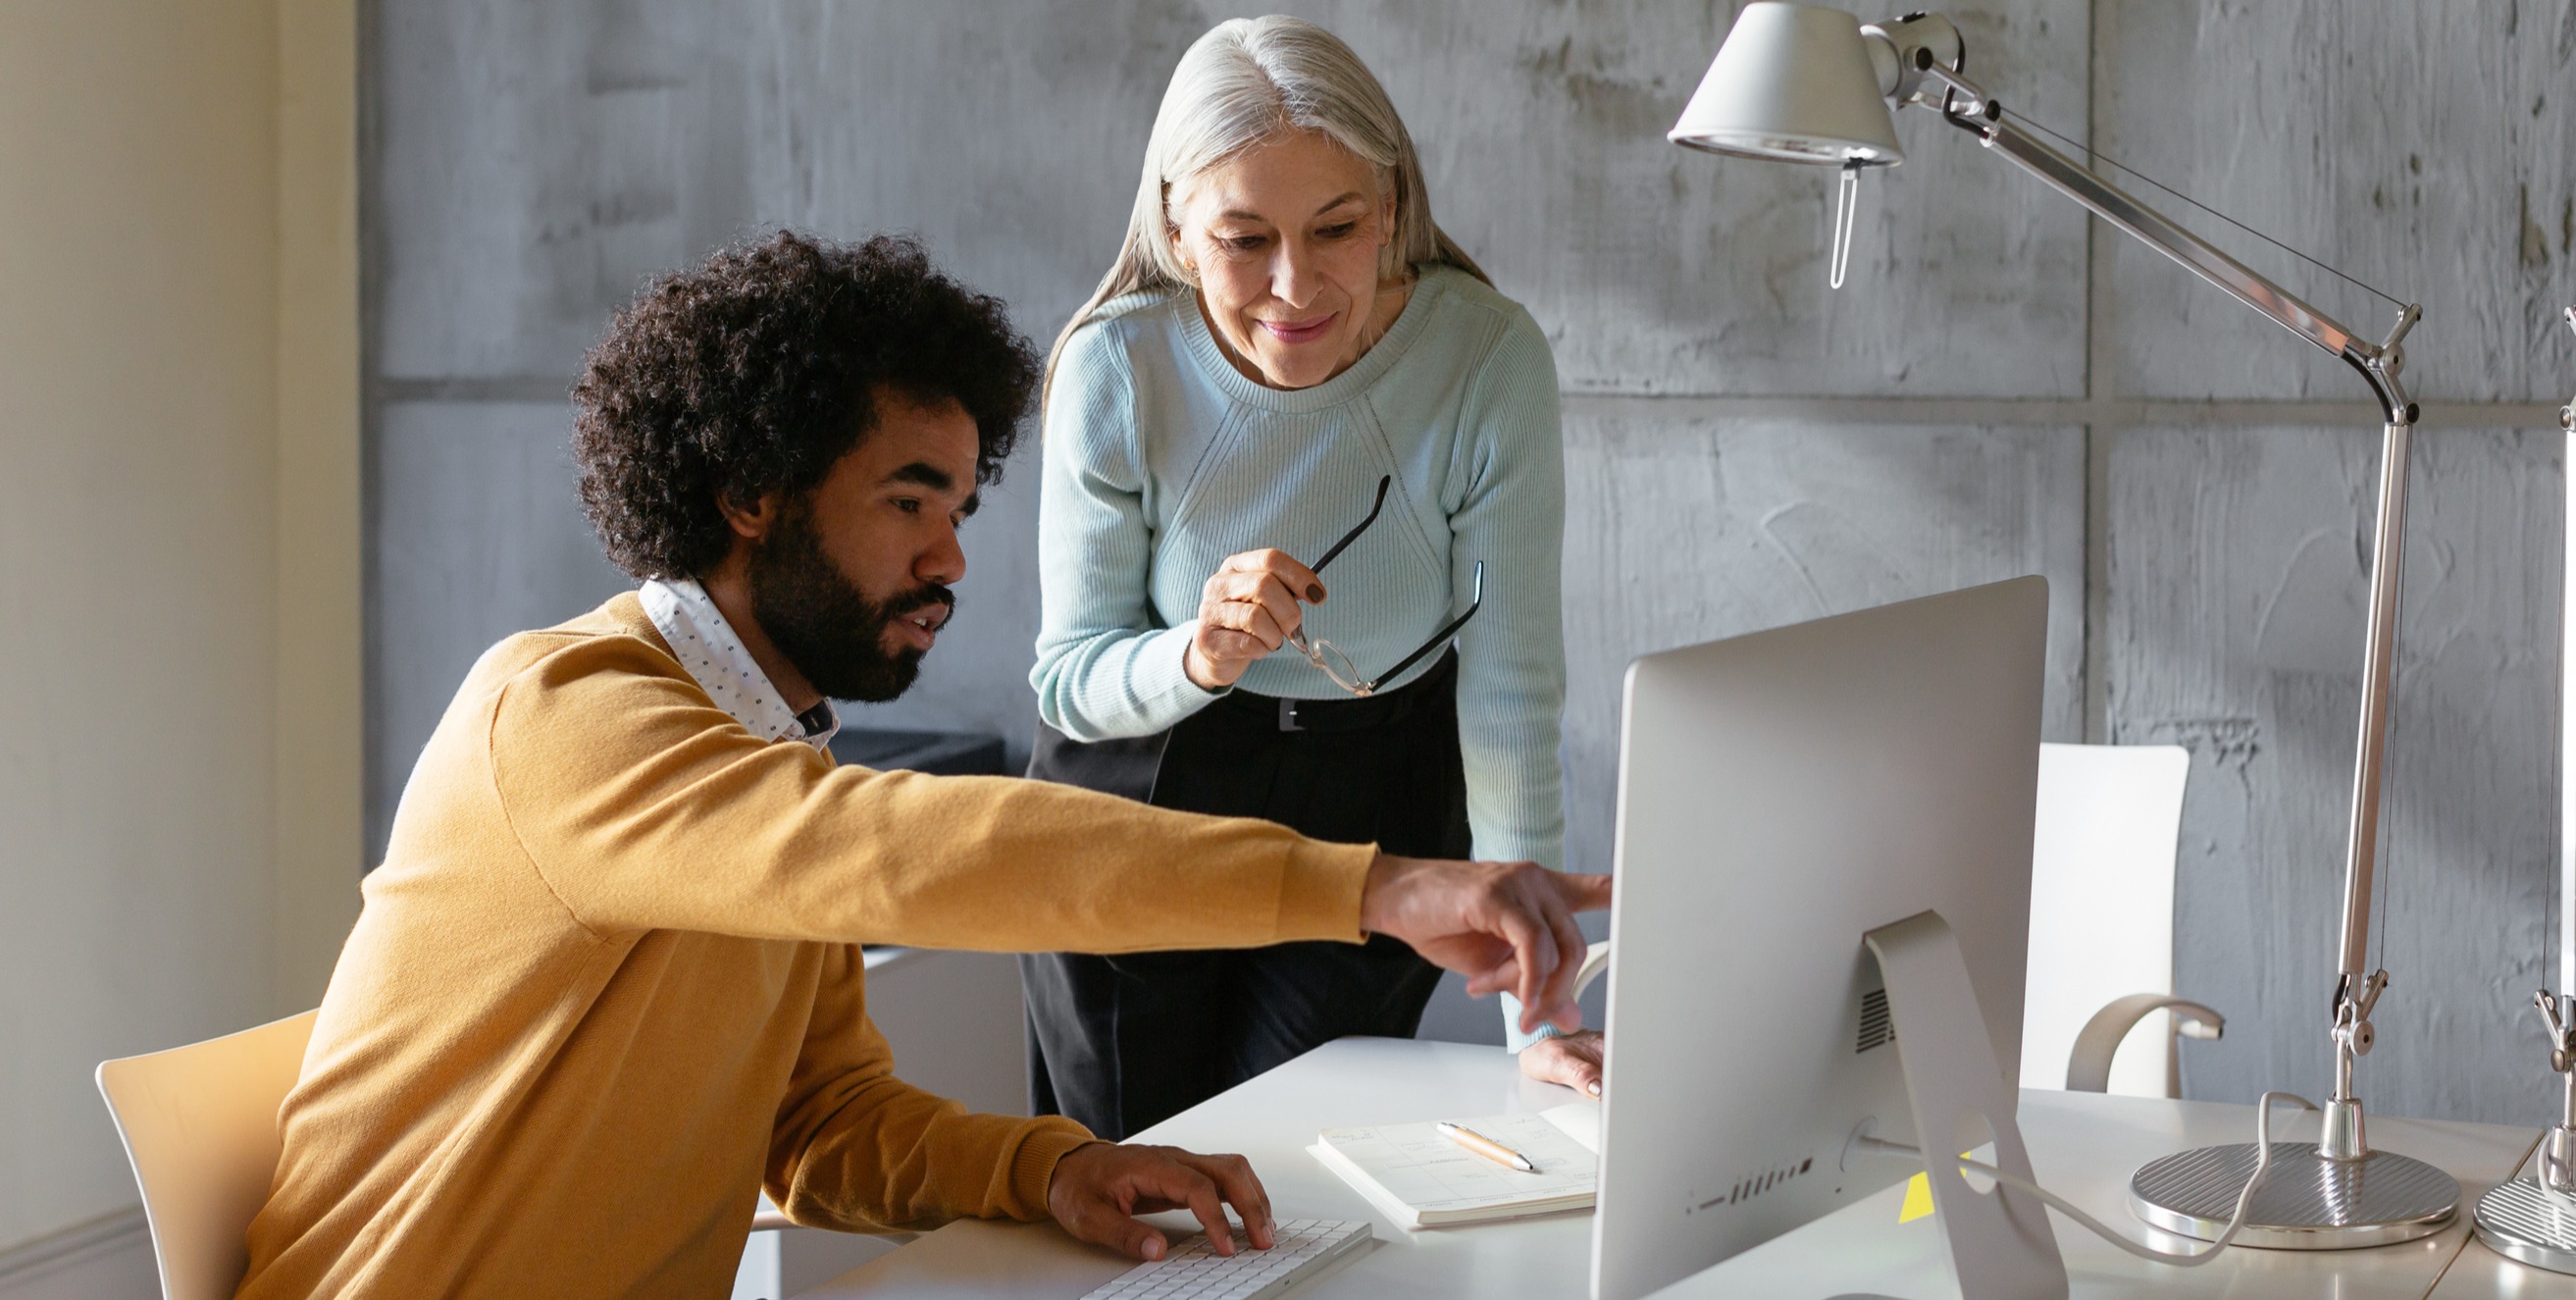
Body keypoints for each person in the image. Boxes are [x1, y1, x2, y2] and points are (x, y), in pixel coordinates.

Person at [233, 232, 1605, 1299]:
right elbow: (915, 851)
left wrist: (1050, 1169)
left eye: (957, 506)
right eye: (908, 502)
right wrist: (1372, 886)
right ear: (751, 492)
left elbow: (818, 1121)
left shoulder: (763, 753)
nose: (950, 561)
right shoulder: (566, 715)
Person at [1022, 15, 1604, 1144]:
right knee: (1134, 1175)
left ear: (1389, 206)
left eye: (1335, 227)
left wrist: (1540, 1018)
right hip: (1143, 787)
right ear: (1177, 229)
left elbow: (1507, 692)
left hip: (1379, 785)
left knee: (1301, 1163)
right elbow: (1069, 682)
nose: (1294, 286)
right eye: (1244, 238)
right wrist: (1195, 653)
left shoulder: (1485, 362)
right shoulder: (1115, 367)